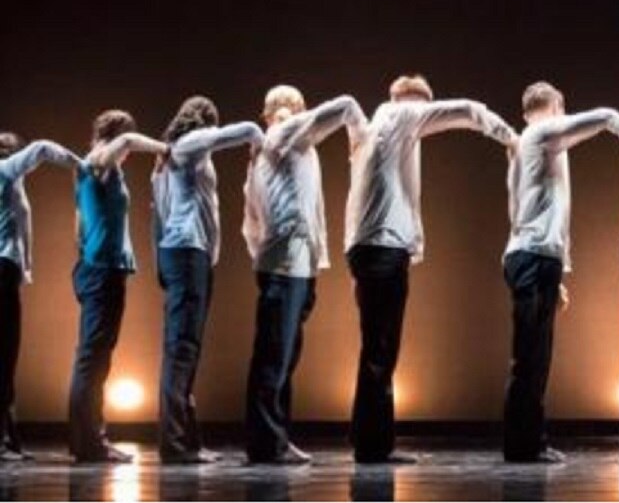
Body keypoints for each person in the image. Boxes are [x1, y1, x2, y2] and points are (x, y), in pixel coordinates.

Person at [344, 74, 517, 464]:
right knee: (381, 349)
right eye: (423, 106)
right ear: (411, 100)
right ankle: (373, 447)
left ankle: (368, 439)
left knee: (376, 346)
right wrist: (510, 138)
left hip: (371, 247)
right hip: (383, 247)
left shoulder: (375, 131)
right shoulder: (401, 115)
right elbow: (466, 111)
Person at [502, 81, 619, 463]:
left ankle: (528, 442)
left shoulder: (524, 146)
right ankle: (523, 445)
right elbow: (605, 116)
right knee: (530, 357)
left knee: (535, 356)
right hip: (532, 259)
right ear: (557, 106)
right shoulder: (542, 132)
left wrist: (559, 270)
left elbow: (526, 212)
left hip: (535, 257)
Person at [242, 86, 367, 464]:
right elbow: (346, 103)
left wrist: (266, 255)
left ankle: (274, 439)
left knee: (281, 356)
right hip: (286, 262)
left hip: (288, 261)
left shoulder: (265, 151)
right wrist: (361, 143)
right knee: (276, 357)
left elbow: (251, 220)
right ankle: (268, 443)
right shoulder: (286, 133)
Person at [152, 96, 264, 463]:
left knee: (185, 348)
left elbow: (160, 214)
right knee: (182, 349)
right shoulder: (188, 144)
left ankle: (187, 440)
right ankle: (176, 444)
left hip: (184, 253)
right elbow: (247, 129)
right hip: (187, 252)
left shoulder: (169, 158)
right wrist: (258, 150)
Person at [69, 111, 168, 463]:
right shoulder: (97, 161)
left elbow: (80, 226)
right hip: (102, 271)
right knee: (92, 359)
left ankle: (89, 439)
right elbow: (125, 143)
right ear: (115, 135)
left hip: (101, 267)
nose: (127, 151)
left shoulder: (93, 169)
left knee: (96, 359)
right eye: (125, 141)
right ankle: (89, 443)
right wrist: (165, 149)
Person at [0, 130, 83, 461]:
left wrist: (27, 268)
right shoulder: (6, 170)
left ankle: (9, 439)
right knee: (5, 355)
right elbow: (44, 147)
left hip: (8, 269)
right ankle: (5, 442)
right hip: (2, 269)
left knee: (5, 357)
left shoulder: (11, 181)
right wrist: (79, 165)